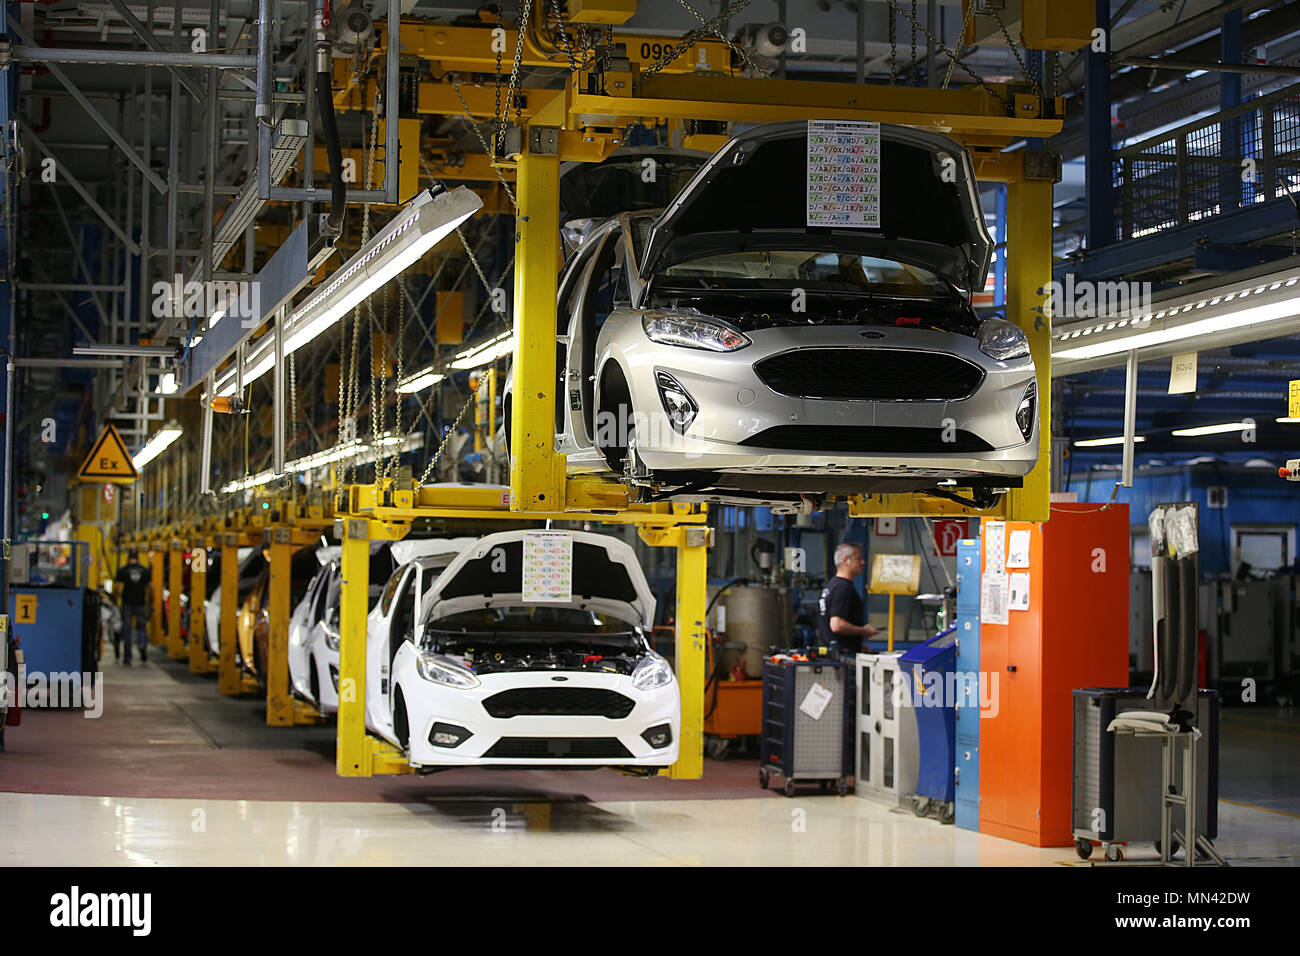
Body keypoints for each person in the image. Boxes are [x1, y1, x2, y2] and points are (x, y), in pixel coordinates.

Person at [817, 542, 880, 655]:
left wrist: (857, 644)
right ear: (846, 560)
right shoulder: (843, 588)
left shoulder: (832, 585)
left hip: (832, 653)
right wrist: (863, 631)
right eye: (858, 558)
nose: (863, 562)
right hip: (842, 658)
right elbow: (837, 625)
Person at [114, 548, 152, 665]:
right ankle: (142, 648)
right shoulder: (144, 570)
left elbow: (116, 587)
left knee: (127, 629)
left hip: (127, 603)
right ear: (138, 557)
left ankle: (127, 656)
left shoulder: (123, 570)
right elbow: (151, 587)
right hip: (140, 603)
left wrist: (115, 600)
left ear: (128, 557)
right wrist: (152, 602)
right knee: (141, 627)